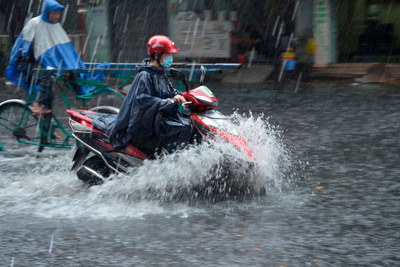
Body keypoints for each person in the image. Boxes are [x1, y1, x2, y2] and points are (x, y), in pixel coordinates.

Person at [107, 35, 193, 155]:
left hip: (158, 117)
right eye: (167, 55)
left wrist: (187, 96)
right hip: (146, 122)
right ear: (157, 56)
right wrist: (169, 101)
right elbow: (143, 99)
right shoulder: (145, 75)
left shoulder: (160, 73)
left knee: (189, 124)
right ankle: (169, 162)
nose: (170, 58)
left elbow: (170, 91)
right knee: (182, 128)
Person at [5, 0, 85, 116]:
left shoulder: (55, 25)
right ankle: (37, 105)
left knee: (50, 94)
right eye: (54, 13)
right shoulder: (35, 23)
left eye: (58, 14)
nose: (56, 16)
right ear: (47, 12)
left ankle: (47, 131)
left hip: (41, 63)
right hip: (25, 62)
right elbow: (27, 47)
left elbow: (64, 48)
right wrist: (47, 60)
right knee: (45, 77)